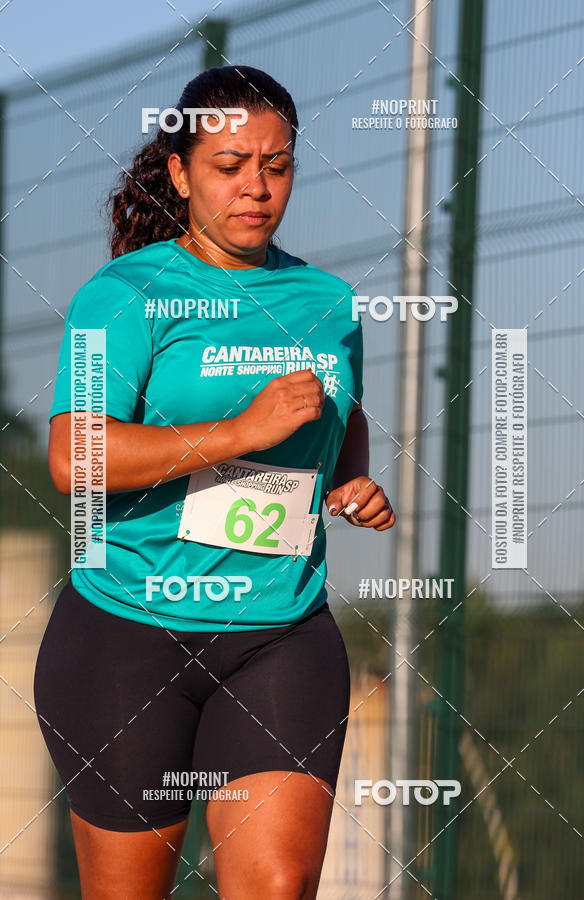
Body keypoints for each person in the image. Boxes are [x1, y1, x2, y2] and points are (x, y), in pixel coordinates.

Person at [35, 65, 395, 899]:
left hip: (279, 634)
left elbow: (342, 414)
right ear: (180, 172)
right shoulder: (123, 296)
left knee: (275, 885)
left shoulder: (327, 301)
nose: (257, 188)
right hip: (127, 636)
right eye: (231, 166)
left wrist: (353, 480)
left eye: (277, 165)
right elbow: (71, 458)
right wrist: (237, 433)